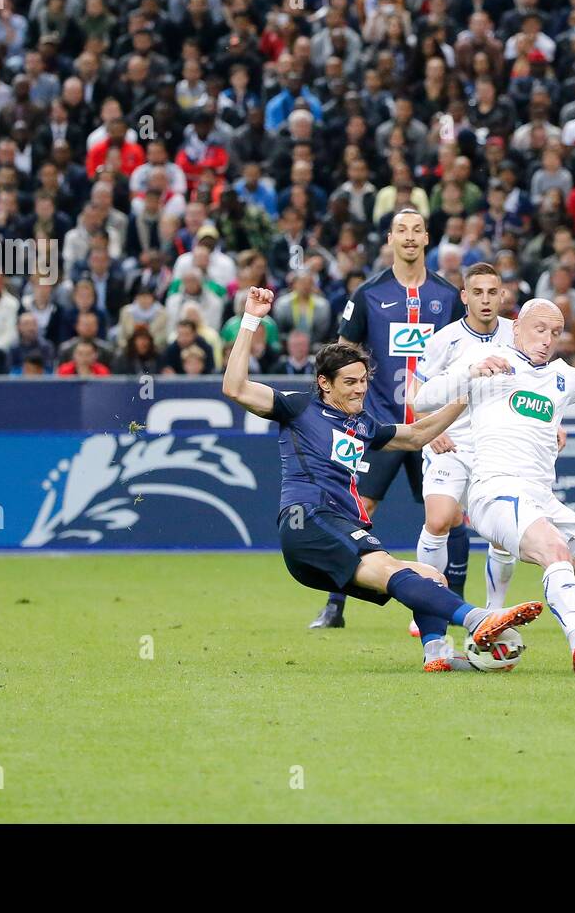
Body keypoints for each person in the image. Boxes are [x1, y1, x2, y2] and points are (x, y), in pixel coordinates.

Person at [222, 285, 544, 672]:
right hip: (309, 519)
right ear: (325, 383)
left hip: (331, 532)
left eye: (363, 381)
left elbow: (416, 435)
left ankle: (437, 655)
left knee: (428, 576)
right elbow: (235, 387)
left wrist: (464, 395)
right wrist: (251, 319)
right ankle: (480, 620)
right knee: (395, 569)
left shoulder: (361, 424)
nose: (360, 389)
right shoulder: (299, 407)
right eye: (350, 382)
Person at [413, 297, 575, 673]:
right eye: (539, 329)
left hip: (542, 497)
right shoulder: (488, 359)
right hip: (495, 490)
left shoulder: (562, 377)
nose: (547, 339)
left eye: (555, 332)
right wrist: (471, 373)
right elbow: (422, 398)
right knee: (554, 549)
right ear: (519, 327)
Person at [309, 208, 465, 630]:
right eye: (402, 230)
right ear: (391, 239)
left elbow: (461, 357)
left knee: (449, 515)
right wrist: (345, 414)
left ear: (428, 238)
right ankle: (334, 606)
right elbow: (342, 356)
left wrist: (443, 419)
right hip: (378, 425)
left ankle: (456, 604)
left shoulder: (448, 296)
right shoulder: (367, 294)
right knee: (355, 507)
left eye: (417, 230)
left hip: (432, 427)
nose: (410, 237)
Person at [408, 263, 519, 635]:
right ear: (464, 296)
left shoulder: (516, 334)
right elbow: (416, 393)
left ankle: (494, 612)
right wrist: (430, 428)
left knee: (503, 535)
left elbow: (539, 383)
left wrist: (555, 423)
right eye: (478, 292)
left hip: (499, 445)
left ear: (502, 295)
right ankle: (427, 604)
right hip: (450, 443)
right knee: (438, 521)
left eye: (492, 292)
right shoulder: (445, 339)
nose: (485, 300)